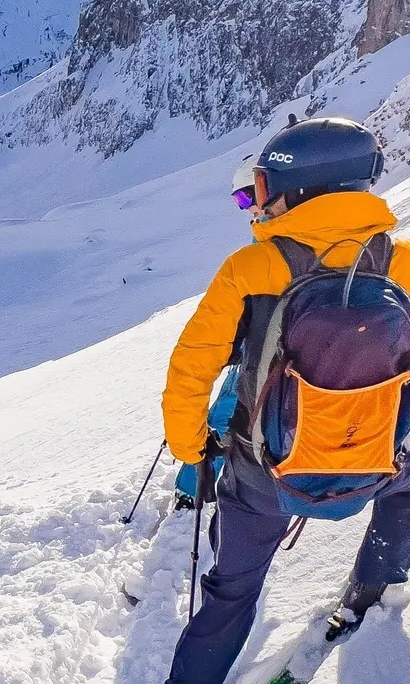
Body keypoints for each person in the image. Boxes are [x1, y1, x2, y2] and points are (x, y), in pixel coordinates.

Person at [161, 117, 410, 684]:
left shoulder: (251, 271)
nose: (253, 206)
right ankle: (375, 583)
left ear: (300, 190)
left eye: (257, 191)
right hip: (372, 470)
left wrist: (192, 447)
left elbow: (191, 370)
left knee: (229, 597)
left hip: (264, 482)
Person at [172, 154, 265, 510]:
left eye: (247, 198)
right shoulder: (268, 241)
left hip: (256, 356)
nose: (246, 210)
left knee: (226, 413)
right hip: (256, 350)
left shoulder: (269, 248)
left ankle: (195, 489)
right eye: (239, 202)